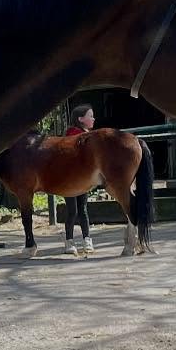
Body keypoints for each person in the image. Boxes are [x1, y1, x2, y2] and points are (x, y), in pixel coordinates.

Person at [62, 104, 95, 256]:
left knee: (83, 210)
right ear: (81, 119)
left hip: (82, 179)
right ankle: (69, 241)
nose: (93, 118)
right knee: (72, 211)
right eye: (90, 116)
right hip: (69, 178)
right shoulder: (73, 134)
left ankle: (87, 239)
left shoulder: (90, 134)